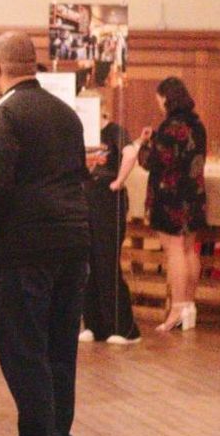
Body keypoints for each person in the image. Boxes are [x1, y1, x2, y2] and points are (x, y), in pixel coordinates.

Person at [0, 31, 90, 436]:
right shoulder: (67, 114)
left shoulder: (3, 111)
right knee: (60, 351)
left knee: (22, 350)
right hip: (73, 243)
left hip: (23, 250)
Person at [138, 76, 208, 332]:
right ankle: (189, 306)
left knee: (175, 251)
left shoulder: (171, 127)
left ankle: (176, 309)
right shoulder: (196, 125)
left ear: (166, 98)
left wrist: (145, 144)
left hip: (170, 198)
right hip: (193, 195)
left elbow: (153, 162)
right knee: (190, 249)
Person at [80, 104, 140, 345]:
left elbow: (131, 152)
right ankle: (94, 324)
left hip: (107, 201)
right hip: (86, 199)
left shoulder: (115, 131)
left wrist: (118, 181)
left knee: (106, 262)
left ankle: (124, 328)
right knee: (87, 263)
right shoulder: (84, 134)